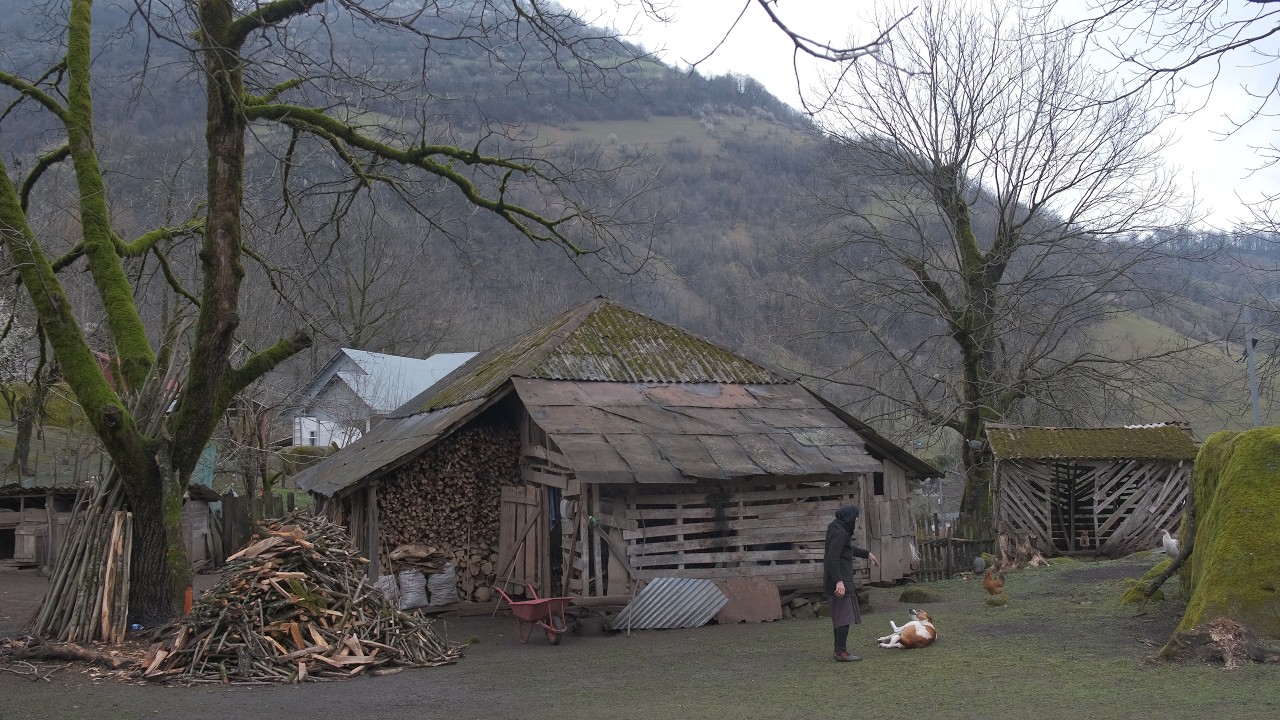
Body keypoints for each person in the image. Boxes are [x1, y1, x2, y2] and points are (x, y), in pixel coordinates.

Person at [824, 504, 878, 662]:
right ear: (849, 518)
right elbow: (832, 559)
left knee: (841, 616)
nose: (855, 520)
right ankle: (841, 653)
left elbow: (846, 549)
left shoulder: (836, 528)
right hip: (839, 581)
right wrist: (839, 582)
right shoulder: (840, 533)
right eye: (855, 518)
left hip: (837, 579)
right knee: (844, 617)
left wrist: (866, 554)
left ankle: (838, 651)